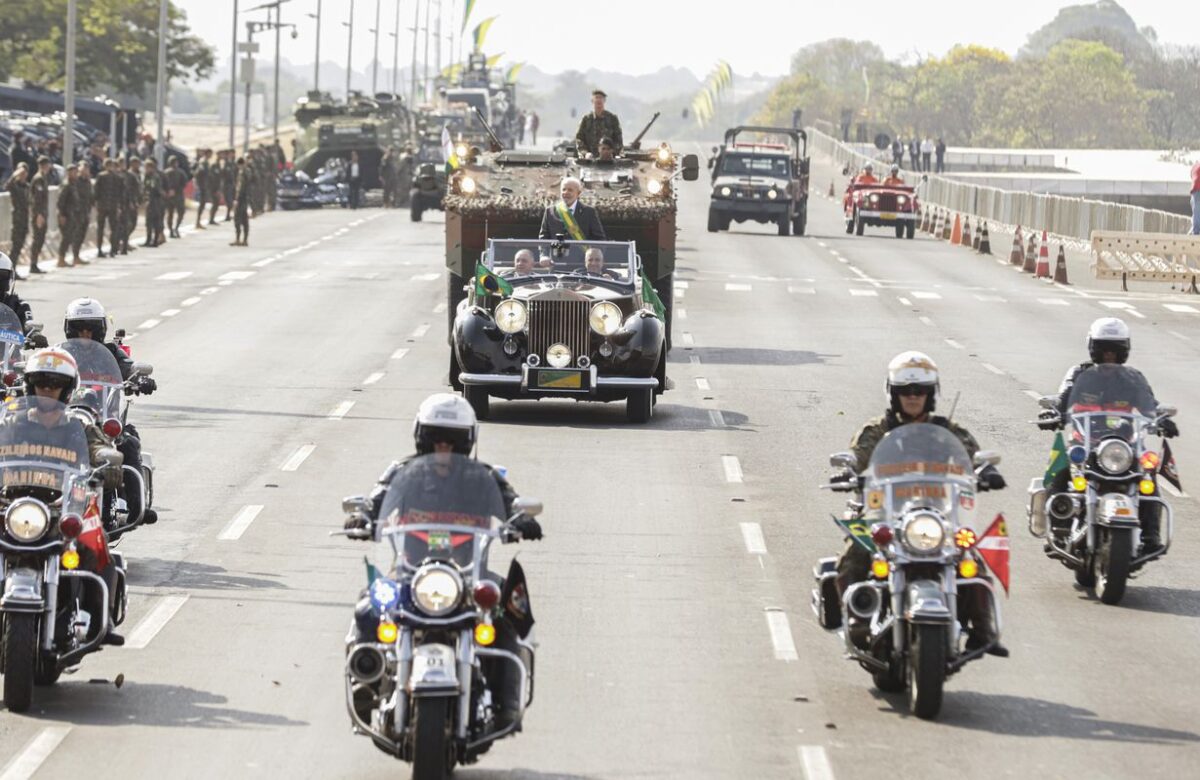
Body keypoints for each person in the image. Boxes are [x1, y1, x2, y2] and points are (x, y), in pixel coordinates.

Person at [342, 393, 542, 728]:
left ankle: (507, 703)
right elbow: (376, 501)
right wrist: (362, 516)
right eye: (436, 440)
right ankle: (366, 683)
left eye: (452, 441)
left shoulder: (484, 477)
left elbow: (510, 502)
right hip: (408, 574)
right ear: (422, 439)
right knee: (369, 608)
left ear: (466, 443)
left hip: (468, 574)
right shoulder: (402, 474)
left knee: (508, 611)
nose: (443, 448)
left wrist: (521, 519)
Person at [832, 351, 1007, 656]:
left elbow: (971, 457)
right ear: (893, 394)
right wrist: (849, 472)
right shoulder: (877, 430)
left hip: (938, 513)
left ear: (931, 394)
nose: (913, 397)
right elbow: (858, 456)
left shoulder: (947, 431)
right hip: (883, 512)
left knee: (970, 561)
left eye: (920, 391)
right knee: (854, 554)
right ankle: (857, 619)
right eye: (905, 392)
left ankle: (982, 630)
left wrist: (985, 471)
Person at [11, 347, 125, 644]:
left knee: (95, 545)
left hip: (63, 505)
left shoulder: (80, 425)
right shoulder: (10, 423)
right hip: (13, 505)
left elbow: (101, 450)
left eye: (55, 384)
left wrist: (106, 462)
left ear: (66, 390)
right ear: (30, 385)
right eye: (42, 383)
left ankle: (102, 620)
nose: (47, 390)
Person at [1039, 318, 1176, 554]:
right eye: (1104, 347)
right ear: (1093, 347)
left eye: (1115, 348)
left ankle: (1151, 534)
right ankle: (1058, 529)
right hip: (1086, 442)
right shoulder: (1080, 374)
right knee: (1061, 468)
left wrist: (1162, 419)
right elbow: (1064, 398)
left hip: (1124, 446)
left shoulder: (1134, 378)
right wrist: (1054, 413)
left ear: (1125, 349)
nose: (1110, 354)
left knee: (1148, 476)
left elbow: (1149, 404)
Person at [63, 298, 158, 526]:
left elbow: (128, 366)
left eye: (91, 329)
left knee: (129, 443)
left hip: (104, 417)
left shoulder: (112, 352)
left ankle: (137, 509)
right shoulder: (61, 355)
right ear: (70, 330)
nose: (85, 334)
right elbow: (42, 367)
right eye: (80, 329)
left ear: (100, 330)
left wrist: (139, 378)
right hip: (67, 419)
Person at [539, 177, 606, 240]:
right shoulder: (550, 211)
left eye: (570, 190)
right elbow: (543, 238)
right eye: (563, 189)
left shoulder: (589, 212)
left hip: (581, 252)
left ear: (578, 193)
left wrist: (592, 252)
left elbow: (599, 239)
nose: (566, 192)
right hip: (555, 252)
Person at [0, 252, 45, 344]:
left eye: (1, 275)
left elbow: (28, 324)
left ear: (10, 276)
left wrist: (34, 335)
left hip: (11, 355)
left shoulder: (19, 305)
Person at [575, 89, 623, 157]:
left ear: (604, 101)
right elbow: (579, 139)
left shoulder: (612, 119)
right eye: (596, 97)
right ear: (592, 101)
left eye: (601, 98)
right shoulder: (586, 119)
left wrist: (613, 152)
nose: (598, 100)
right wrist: (585, 153)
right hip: (589, 159)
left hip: (609, 159)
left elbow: (618, 140)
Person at [93, 158, 125, 257]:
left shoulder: (101, 176)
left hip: (102, 206)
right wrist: (120, 206)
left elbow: (96, 192)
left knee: (101, 229)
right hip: (113, 206)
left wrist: (96, 203)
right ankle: (113, 249)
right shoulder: (118, 178)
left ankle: (100, 250)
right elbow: (121, 193)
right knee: (113, 228)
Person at [27, 156, 51, 273]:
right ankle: (33, 264)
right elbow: (37, 199)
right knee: (37, 239)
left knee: (40, 239)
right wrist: (39, 215)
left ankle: (35, 263)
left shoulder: (43, 178)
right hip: (39, 214)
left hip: (42, 213)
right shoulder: (39, 179)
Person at [6, 163, 31, 273]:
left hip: (25, 220)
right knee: (15, 247)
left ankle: (13, 270)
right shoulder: (14, 185)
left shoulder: (27, 187)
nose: (23, 175)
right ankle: (11, 270)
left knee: (20, 245)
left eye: (25, 173)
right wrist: (14, 174)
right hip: (17, 220)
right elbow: (6, 185)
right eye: (21, 173)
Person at [56, 166, 82, 267]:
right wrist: (62, 215)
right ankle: (61, 259)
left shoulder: (73, 184)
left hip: (72, 215)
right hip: (66, 215)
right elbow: (60, 201)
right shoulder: (66, 185)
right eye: (73, 172)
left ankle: (65, 258)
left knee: (70, 237)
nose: (75, 174)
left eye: (76, 172)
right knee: (66, 237)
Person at [71, 162, 93, 264]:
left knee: (82, 234)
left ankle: (77, 255)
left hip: (85, 211)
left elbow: (90, 197)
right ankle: (75, 256)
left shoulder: (87, 182)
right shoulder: (76, 182)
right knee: (76, 234)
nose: (85, 171)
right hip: (77, 212)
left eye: (87, 169)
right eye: (83, 169)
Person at [142, 158, 165, 247]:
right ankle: (148, 239)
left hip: (155, 202)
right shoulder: (146, 177)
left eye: (147, 168)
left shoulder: (155, 177)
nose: (146, 169)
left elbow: (155, 189)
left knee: (155, 221)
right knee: (148, 222)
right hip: (149, 202)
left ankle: (155, 240)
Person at [121, 157, 142, 254]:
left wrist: (137, 201)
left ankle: (125, 241)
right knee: (125, 225)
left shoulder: (135, 175)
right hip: (124, 203)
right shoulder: (124, 176)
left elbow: (137, 189)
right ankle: (121, 243)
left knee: (132, 223)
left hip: (132, 202)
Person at [163, 156, 187, 238]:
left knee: (177, 213)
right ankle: (172, 230)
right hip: (173, 196)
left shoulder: (180, 172)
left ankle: (175, 229)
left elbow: (184, 183)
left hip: (177, 195)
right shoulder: (167, 172)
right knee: (171, 213)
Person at [232, 157, 251, 246]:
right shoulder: (248, 171)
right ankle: (245, 240)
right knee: (244, 220)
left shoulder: (242, 173)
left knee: (237, 219)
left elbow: (240, 188)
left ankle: (238, 239)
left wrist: (237, 199)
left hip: (241, 199)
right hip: (246, 198)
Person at [1191, 158, 1200, 235]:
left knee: (1196, 211)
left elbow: (1192, 178)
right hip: (1197, 190)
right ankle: (1196, 231)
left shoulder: (1194, 167)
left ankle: (1195, 231)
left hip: (1195, 191)